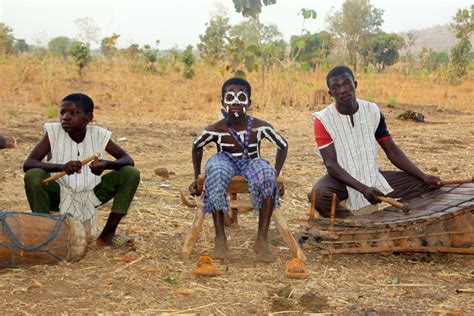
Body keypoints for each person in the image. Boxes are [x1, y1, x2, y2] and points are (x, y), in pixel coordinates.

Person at [310, 66, 441, 218]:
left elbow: (391, 151)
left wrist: (423, 176)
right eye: (336, 87)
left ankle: (398, 219)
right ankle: (351, 224)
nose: (343, 90)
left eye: (346, 83)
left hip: (371, 175)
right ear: (330, 93)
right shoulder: (323, 120)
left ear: (355, 84)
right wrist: (364, 189)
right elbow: (331, 165)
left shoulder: (372, 111)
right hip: (341, 179)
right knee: (318, 195)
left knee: (422, 185)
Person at [189, 78, 288, 263]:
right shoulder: (216, 129)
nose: (235, 102)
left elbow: (282, 144)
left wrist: (275, 173)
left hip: (252, 160)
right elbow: (196, 146)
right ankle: (220, 237)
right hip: (225, 159)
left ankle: (262, 238)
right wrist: (196, 178)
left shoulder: (260, 126)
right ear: (223, 102)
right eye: (230, 97)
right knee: (216, 171)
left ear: (249, 103)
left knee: (266, 175)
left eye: (241, 97)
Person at [23, 93, 140, 245]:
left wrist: (105, 164)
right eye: (62, 113)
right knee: (34, 175)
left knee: (131, 173)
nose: (65, 117)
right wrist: (60, 167)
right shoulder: (53, 133)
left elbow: (127, 160)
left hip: (91, 194)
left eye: (73, 113)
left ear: (89, 117)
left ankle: (107, 234)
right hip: (58, 194)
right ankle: (46, 234)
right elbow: (29, 163)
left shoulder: (99, 134)